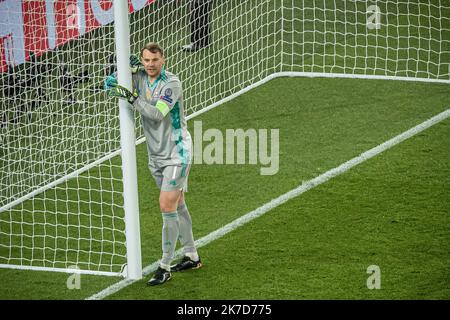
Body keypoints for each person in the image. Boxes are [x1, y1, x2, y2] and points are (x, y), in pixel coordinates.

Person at [105, 43, 202, 286]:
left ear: (163, 60)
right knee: (178, 204)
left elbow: (157, 114)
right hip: (155, 153)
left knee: (166, 205)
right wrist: (120, 71)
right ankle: (191, 255)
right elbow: (111, 82)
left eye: (155, 60)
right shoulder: (138, 76)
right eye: (146, 60)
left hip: (176, 152)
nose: (150, 64)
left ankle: (164, 266)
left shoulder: (171, 83)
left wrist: (130, 96)